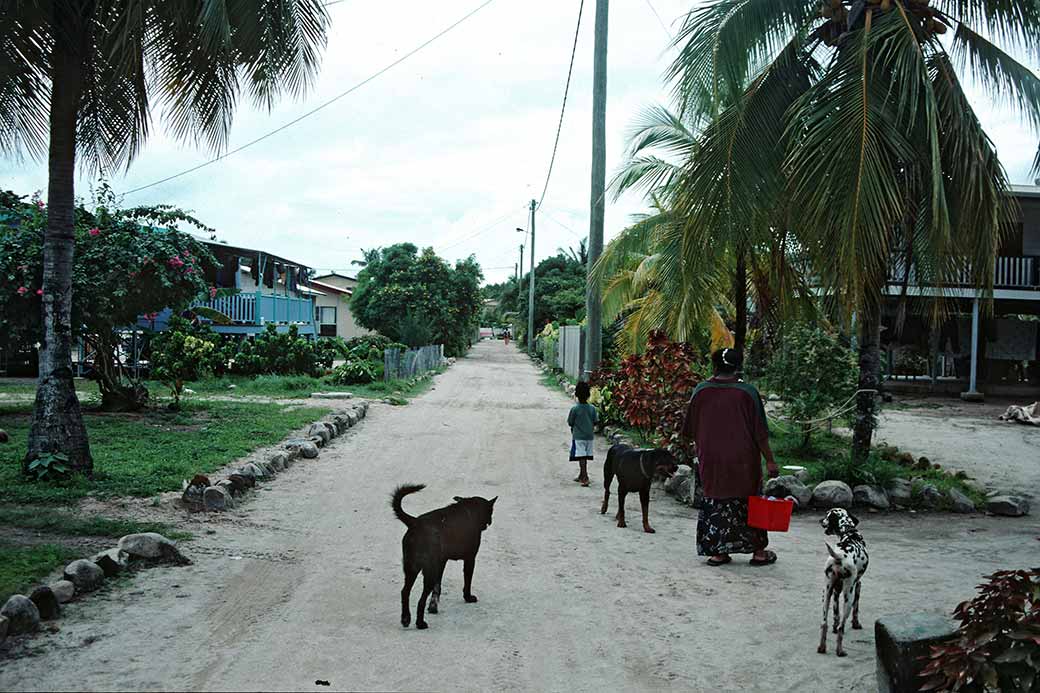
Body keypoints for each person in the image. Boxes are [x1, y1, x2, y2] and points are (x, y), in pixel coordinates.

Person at [681, 347, 780, 567]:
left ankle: (718, 552)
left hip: (712, 461)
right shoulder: (748, 392)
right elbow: (760, 434)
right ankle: (758, 552)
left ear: (714, 366)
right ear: (738, 367)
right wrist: (770, 461)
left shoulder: (701, 390)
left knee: (717, 502)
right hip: (744, 461)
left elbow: (690, 430)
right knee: (750, 502)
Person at [568, 381, 598, 487]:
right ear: (588, 395)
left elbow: (570, 422)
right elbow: (595, 421)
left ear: (576, 394)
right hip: (589, 436)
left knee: (581, 457)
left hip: (579, 436)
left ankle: (585, 477)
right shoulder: (592, 408)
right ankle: (581, 475)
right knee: (585, 456)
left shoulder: (575, 409)